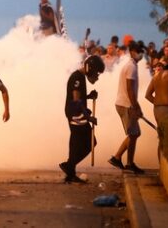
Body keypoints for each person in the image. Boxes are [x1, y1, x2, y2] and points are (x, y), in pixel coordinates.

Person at [59, 55, 104, 183]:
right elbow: (76, 100)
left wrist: (89, 96)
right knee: (89, 142)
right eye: (96, 72)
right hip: (76, 114)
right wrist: (88, 117)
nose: (97, 76)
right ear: (90, 68)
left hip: (76, 113)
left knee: (77, 143)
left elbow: (80, 97)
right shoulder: (77, 78)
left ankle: (70, 170)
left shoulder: (80, 77)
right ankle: (69, 166)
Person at [108, 41, 145, 174]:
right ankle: (127, 163)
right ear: (133, 52)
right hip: (126, 104)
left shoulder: (131, 65)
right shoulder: (131, 67)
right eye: (139, 51)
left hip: (124, 103)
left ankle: (118, 158)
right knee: (134, 134)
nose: (141, 54)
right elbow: (130, 89)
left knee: (134, 134)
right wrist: (136, 107)